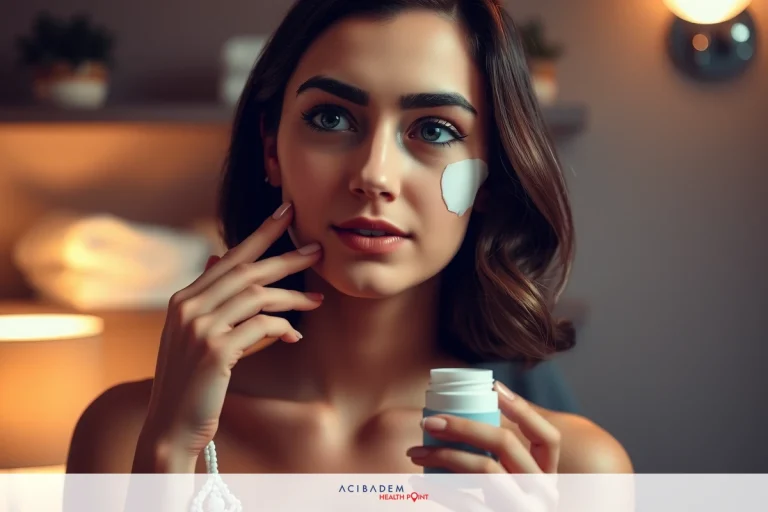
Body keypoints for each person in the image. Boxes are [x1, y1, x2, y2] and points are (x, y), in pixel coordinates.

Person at [67, 0, 632, 477]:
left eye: (434, 129)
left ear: (490, 173)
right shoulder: (127, 432)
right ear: (271, 149)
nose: (374, 175)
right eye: (332, 119)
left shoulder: (576, 468)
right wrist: (167, 456)